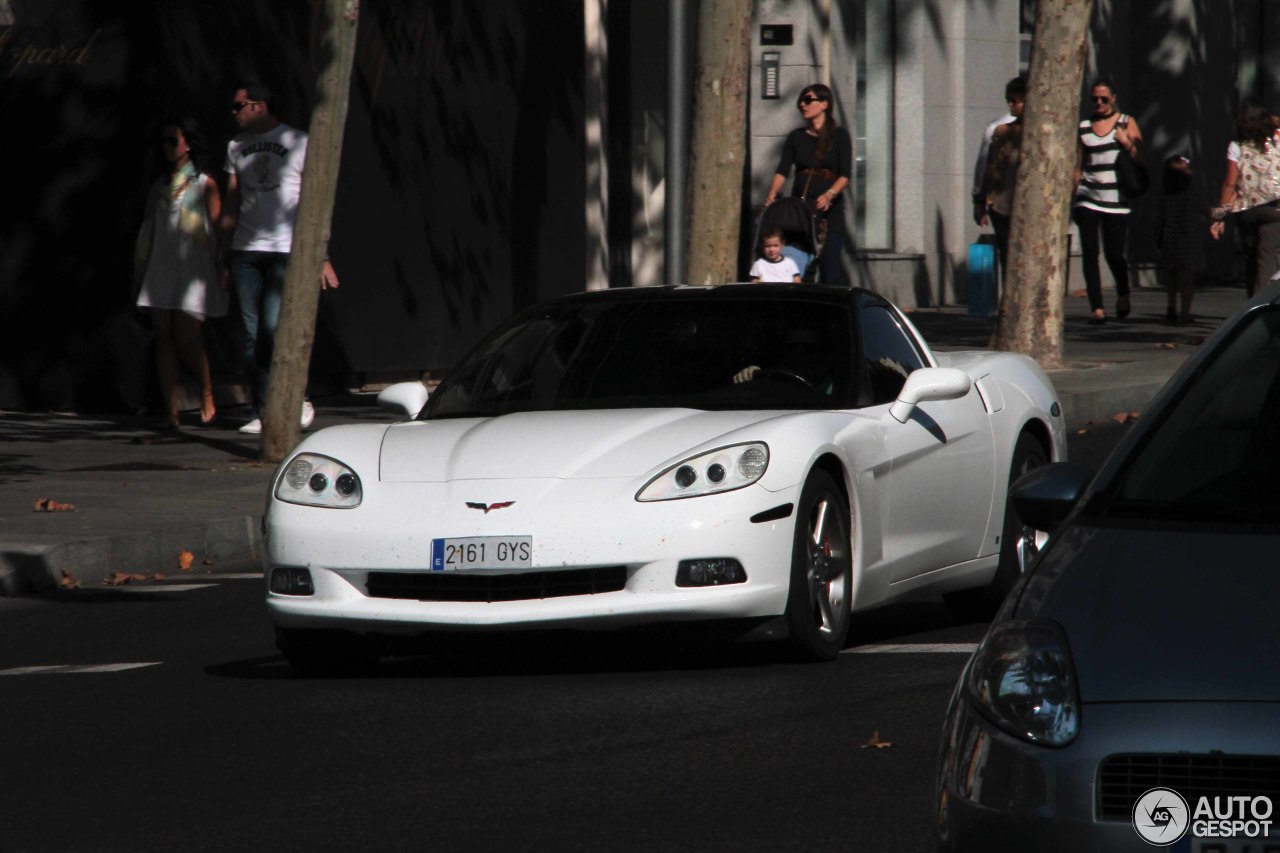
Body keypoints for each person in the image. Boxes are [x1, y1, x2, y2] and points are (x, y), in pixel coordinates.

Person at [217, 79, 339, 435]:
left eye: (239, 106)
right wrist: (221, 253)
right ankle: (263, 408)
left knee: (273, 330)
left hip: (286, 250)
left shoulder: (298, 142)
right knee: (254, 335)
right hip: (246, 250)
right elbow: (232, 201)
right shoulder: (236, 146)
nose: (234, 113)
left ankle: (293, 400)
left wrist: (322, 255)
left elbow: (312, 203)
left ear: (259, 105)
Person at [133, 116, 226, 428]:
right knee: (163, 337)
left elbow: (216, 229)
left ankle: (207, 390)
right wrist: (141, 268)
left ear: (188, 143)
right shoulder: (158, 187)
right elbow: (147, 231)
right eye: (164, 142)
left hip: (193, 269)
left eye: (174, 141)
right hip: (161, 267)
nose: (168, 148)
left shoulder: (204, 183)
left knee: (187, 337)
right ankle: (170, 412)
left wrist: (221, 265)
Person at [763, 84, 853, 285]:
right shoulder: (796, 137)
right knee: (796, 269)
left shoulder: (839, 136)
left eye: (808, 100)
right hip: (801, 214)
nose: (803, 105)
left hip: (829, 216)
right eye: (800, 101)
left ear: (824, 104)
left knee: (830, 270)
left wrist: (830, 194)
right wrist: (772, 193)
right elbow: (782, 170)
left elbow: (845, 175)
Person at [1073, 77, 1143, 324]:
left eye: (1104, 99)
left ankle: (1123, 293)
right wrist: (1073, 193)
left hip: (1116, 198)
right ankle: (1097, 308)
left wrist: (1127, 143)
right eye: (1094, 100)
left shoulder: (1125, 122)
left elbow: (1139, 154)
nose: (1099, 104)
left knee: (1114, 253)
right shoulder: (1083, 127)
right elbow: (1079, 164)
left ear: (1113, 98)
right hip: (1088, 195)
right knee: (1090, 252)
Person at [1209, 98, 1280, 297]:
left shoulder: (1236, 146)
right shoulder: (1276, 139)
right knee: (1265, 258)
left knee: (1250, 257)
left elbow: (1230, 183)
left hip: (1247, 209)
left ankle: (1252, 300)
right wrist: (1271, 119)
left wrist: (1219, 215)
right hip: (1275, 207)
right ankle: (1259, 307)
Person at [1155, 155, 1205, 324]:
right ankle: (1185, 312)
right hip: (1188, 239)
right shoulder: (1192, 196)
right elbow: (1205, 210)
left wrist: (1158, 236)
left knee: (1171, 275)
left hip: (1170, 238)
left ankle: (1171, 306)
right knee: (1187, 279)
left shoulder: (1165, 196)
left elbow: (1160, 218)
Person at [980, 105, 1024, 286]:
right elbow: (988, 166)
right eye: (1010, 100)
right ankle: (1009, 292)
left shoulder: (1040, 134)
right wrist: (980, 201)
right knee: (1006, 252)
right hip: (1000, 204)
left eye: (1018, 100)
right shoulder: (1000, 130)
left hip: (1025, 206)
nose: (1013, 105)